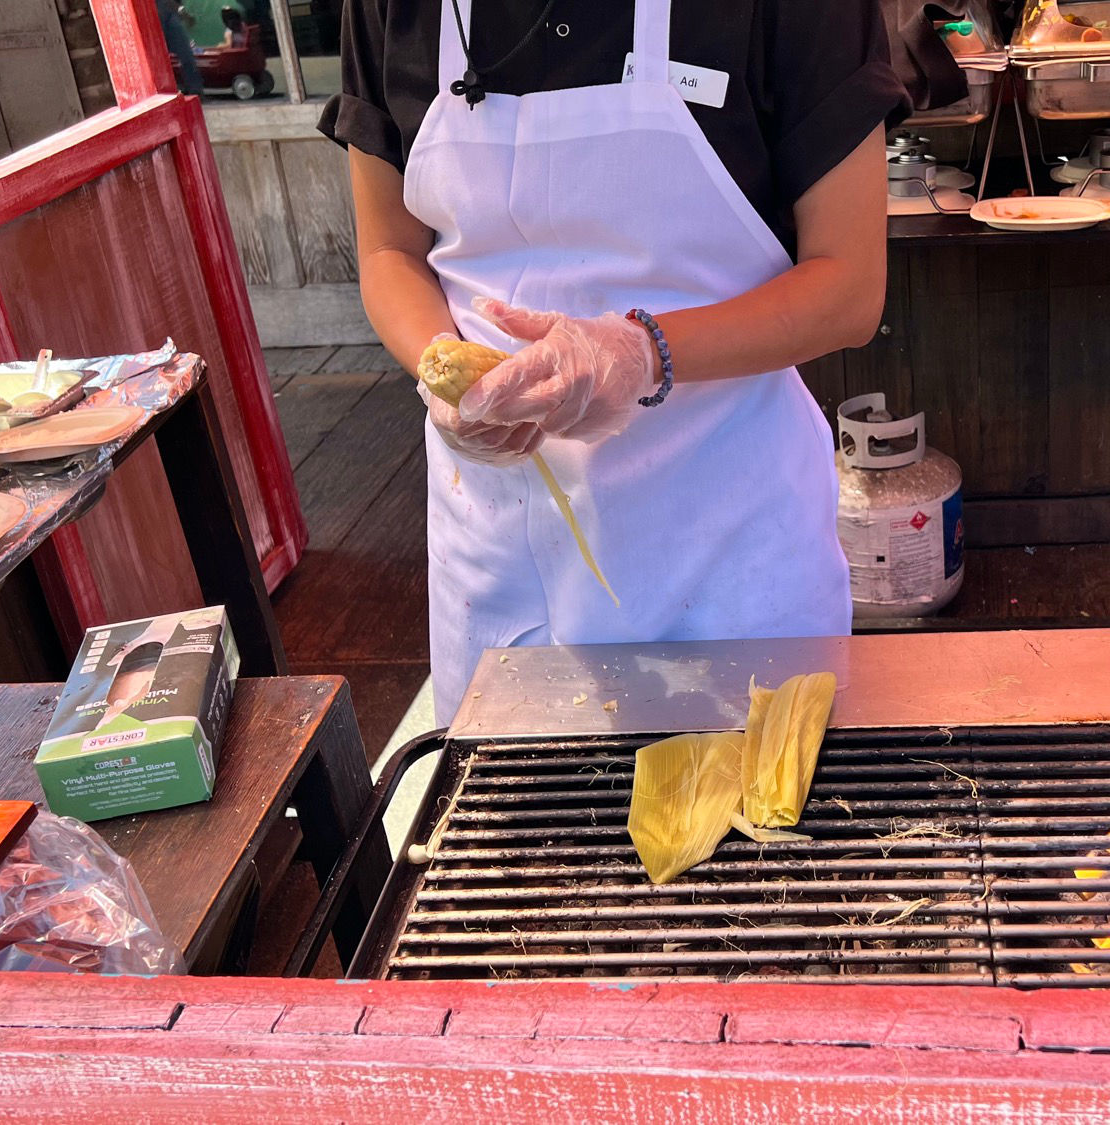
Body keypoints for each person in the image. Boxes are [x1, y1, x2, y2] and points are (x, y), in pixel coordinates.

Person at [320, 1, 908, 723]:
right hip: (495, 554)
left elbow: (848, 285)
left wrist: (641, 351)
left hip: (726, 550)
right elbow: (389, 251)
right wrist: (440, 362)